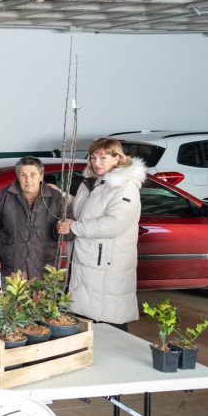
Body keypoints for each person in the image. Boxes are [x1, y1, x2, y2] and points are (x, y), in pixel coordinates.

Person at [57, 138, 145, 330]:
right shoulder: (91, 183)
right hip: (88, 259)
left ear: (117, 158)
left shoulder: (125, 187)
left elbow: (115, 223)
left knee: (108, 321)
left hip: (107, 264)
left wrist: (75, 228)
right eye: (93, 157)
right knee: (86, 315)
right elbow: (84, 211)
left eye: (103, 158)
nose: (97, 163)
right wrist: (62, 197)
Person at [0, 156, 65, 280]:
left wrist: (61, 229)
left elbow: (69, 232)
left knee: (41, 299)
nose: (28, 180)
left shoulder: (56, 198)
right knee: (14, 299)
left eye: (33, 174)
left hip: (44, 265)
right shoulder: (4, 195)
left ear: (41, 176)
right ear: (17, 176)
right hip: (13, 264)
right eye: (23, 175)